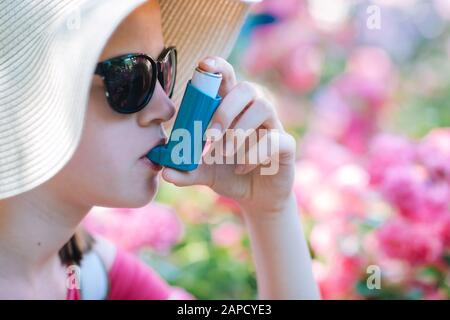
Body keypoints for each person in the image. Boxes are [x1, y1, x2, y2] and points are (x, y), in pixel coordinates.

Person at [0, 0, 320, 299]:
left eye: (163, 70)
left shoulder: (96, 276)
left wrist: (269, 211)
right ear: (22, 98)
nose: (166, 107)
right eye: (130, 78)